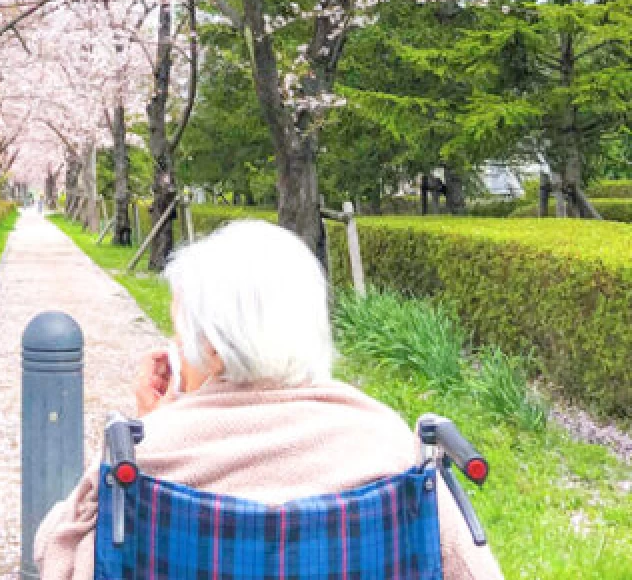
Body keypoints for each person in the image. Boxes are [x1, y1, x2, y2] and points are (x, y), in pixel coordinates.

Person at [35, 219, 503, 580]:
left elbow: (56, 557)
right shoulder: (389, 444)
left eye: (180, 330)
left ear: (212, 346)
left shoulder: (144, 453)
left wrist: (159, 425)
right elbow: (473, 569)